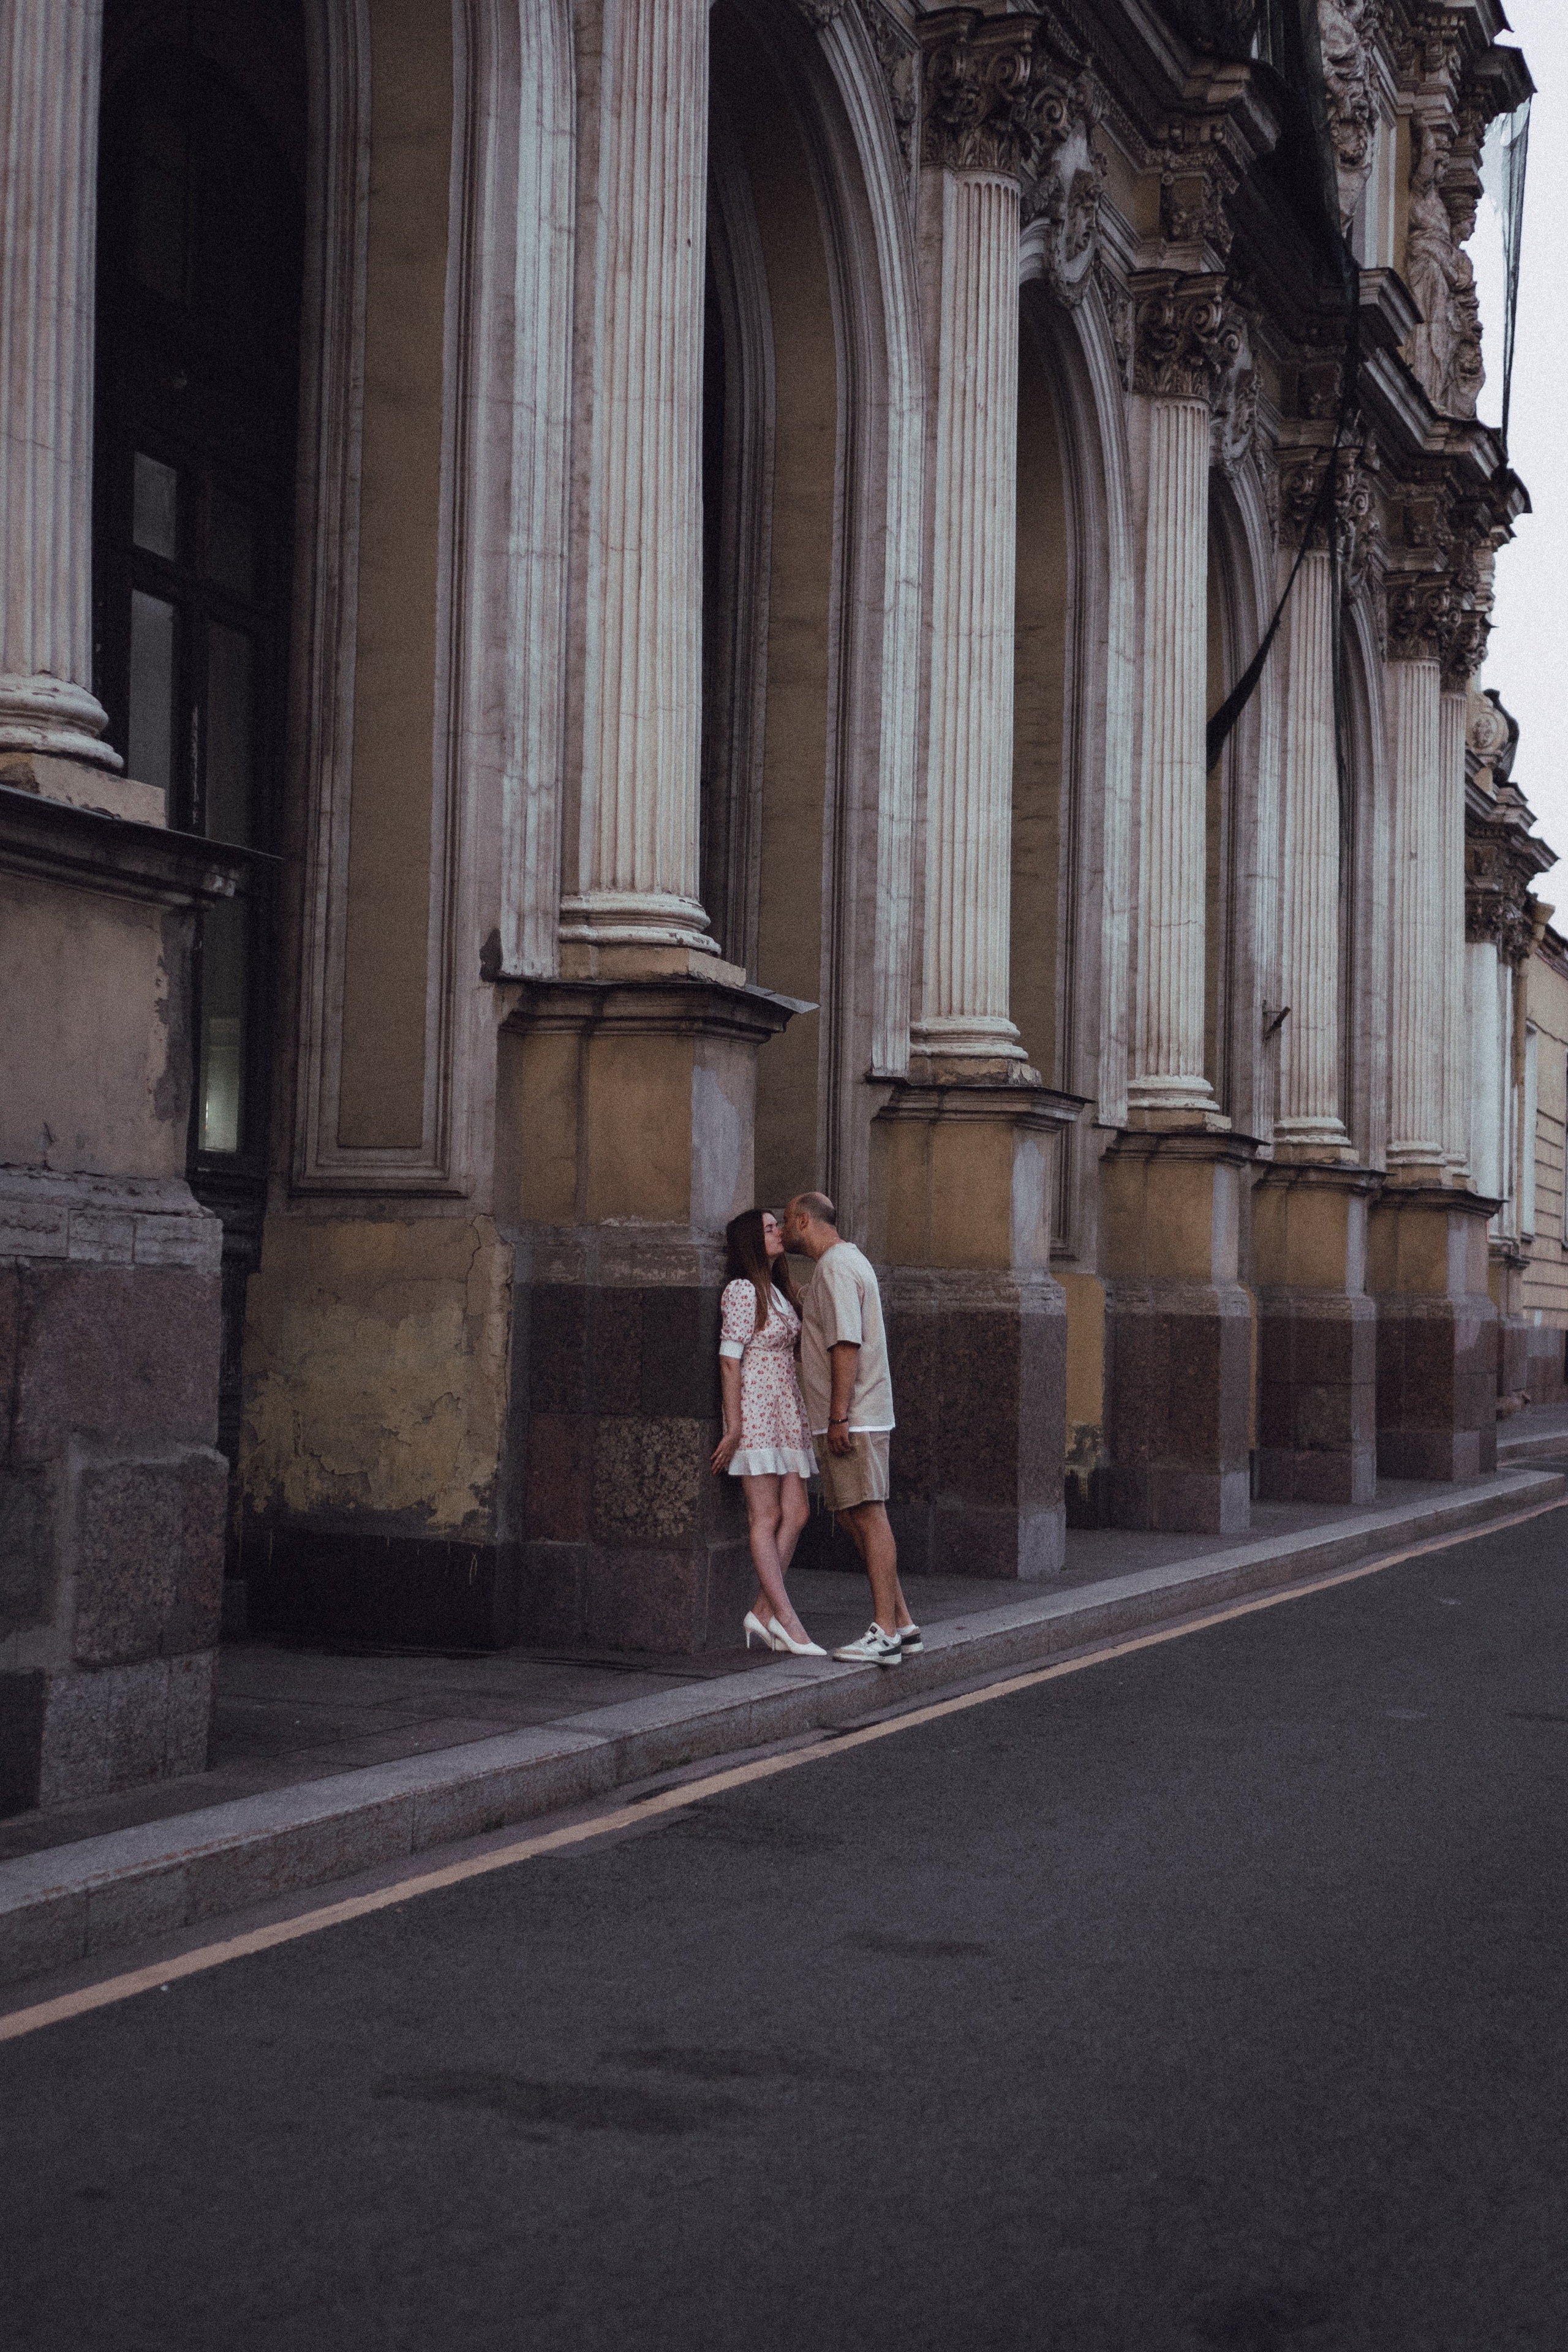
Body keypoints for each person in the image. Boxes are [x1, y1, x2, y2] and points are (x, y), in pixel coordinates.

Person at [783, 1191, 917, 1667]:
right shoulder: (846, 1262)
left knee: (867, 1514)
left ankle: (884, 1632)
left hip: (853, 1417)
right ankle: (901, 1621)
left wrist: (839, 1416)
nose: (781, 1231)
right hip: (855, 1415)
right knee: (852, 1514)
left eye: (785, 1222)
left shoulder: (836, 1267)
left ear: (803, 1221)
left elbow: (846, 1344)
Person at [710, 1208, 826, 1658]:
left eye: (778, 1225)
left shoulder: (777, 1290)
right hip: (757, 1409)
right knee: (766, 1518)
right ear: (750, 1242)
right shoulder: (741, 1291)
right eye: (769, 1228)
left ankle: (763, 1612)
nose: (778, 1232)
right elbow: (729, 1360)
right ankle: (789, 1621)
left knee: (796, 1513)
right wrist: (735, 1425)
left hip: (786, 1407)